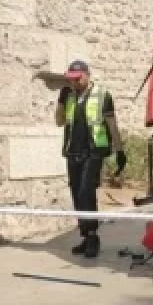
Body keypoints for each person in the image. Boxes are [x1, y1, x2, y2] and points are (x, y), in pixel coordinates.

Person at [55, 60, 126, 258]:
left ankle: (93, 236)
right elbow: (59, 122)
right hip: (72, 152)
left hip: (94, 151)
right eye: (71, 80)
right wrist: (61, 102)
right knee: (77, 194)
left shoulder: (103, 95)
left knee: (87, 191)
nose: (74, 83)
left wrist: (120, 151)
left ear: (87, 75)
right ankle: (85, 235)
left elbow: (112, 125)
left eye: (78, 79)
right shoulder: (68, 95)